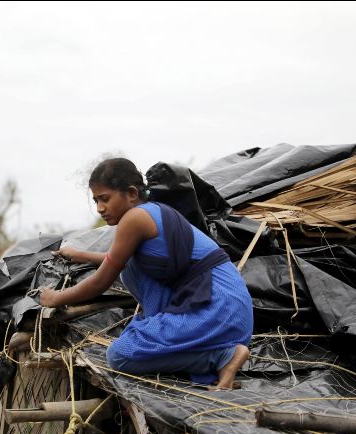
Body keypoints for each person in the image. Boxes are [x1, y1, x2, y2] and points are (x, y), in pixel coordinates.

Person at [39, 158, 253, 389]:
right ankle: (206, 349)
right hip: (232, 308)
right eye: (96, 201)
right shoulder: (152, 212)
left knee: (120, 356)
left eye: (105, 198)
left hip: (216, 307)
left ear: (131, 193)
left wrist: (56, 298)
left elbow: (101, 281)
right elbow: (116, 260)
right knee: (131, 266)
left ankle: (222, 356)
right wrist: (79, 254)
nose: (100, 208)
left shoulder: (135, 218)